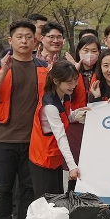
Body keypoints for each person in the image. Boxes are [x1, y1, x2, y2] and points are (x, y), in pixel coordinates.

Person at [0, 19, 49, 219]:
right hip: (4, 137)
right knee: (3, 187)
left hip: (33, 139)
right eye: (19, 37)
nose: (24, 40)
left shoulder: (42, 67)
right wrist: (4, 70)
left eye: (28, 36)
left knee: (28, 189)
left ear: (35, 40)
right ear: (11, 41)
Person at [31, 60, 90, 199]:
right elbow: (60, 136)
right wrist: (72, 166)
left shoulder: (64, 96)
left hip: (54, 158)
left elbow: (64, 117)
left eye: (75, 81)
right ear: (57, 81)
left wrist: (75, 115)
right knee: (46, 206)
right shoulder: (50, 105)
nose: (74, 86)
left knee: (56, 201)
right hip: (43, 159)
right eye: (69, 82)